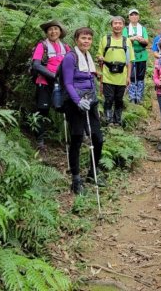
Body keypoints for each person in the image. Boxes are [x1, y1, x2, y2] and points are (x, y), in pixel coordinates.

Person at [60, 27, 104, 194]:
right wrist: (78, 101)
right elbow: (68, 83)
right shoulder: (71, 58)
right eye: (83, 38)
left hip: (90, 102)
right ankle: (76, 179)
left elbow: (90, 78)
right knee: (77, 138)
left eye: (89, 39)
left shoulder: (87, 56)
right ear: (76, 39)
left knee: (98, 138)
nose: (86, 41)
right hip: (75, 103)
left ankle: (93, 172)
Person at [31, 19, 70, 153]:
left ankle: (72, 138)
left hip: (62, 83)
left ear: (60, 32)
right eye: (50, 29)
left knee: (67, 109)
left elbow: (71, 63)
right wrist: (54, 76)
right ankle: (40, 141)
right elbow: (36, 65)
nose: (53, 31)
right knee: (42, 111)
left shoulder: (66, 47)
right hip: (45, 82)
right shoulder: (42, 46)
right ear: (47, 32)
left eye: (56, 29)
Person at [98, 16, 135, 125]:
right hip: (107, 75)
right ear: (111, 25)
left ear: (123, 26)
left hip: (122, 76)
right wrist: (100, 58)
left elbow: (130, 61)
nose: (117, 25)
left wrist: (128, 77)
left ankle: (117, 121)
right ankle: (108, 121)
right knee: (108, 99)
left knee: (119, 100)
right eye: (115, 23)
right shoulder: (105, 39)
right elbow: (100, 55)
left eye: (120, 23)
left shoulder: (127, 41)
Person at [123, 9, 149, 104]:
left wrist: (141, 40)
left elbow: (147, 41)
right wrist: (133, 39)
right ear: (129, 17)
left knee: (140, 76)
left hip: (142, 55)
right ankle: (131, 96)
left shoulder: (142, 29)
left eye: (136, 15)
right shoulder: (125, 29)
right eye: (132, 15)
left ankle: (139, 96)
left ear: (138, 17)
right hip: (130, 55)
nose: (134, 16)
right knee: (132, 75)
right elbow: (124, 40)